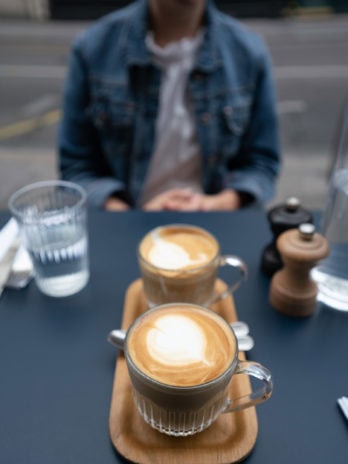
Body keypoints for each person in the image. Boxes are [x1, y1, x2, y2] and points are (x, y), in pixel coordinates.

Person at [59, 0, 281, 212]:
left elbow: (261, 163)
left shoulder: (249, 52)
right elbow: (76, 168)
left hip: (215, 222)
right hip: (127, 222)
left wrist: (214, 205)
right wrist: (130, 214)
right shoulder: (93, 48)